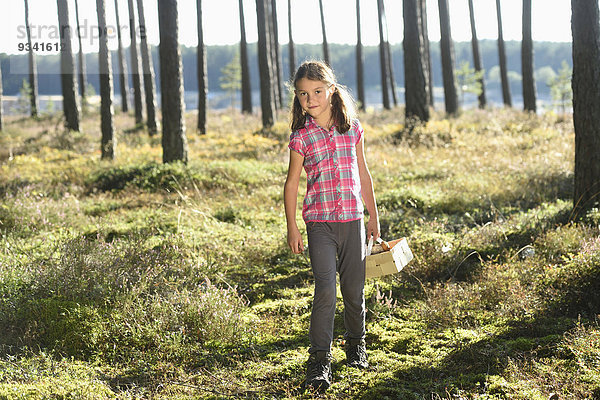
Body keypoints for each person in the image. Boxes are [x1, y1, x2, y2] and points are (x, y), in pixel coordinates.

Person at [283, 60, 380, 391]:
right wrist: (292, 227)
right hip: (319, 224)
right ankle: (319, 360)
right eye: (303, 94)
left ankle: (356, 344)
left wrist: (373, 217)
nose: (310, 99)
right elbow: (292, 183)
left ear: (331, 90)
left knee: (354, 292)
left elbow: (363, 175)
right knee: (325, 289)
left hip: (353, 221)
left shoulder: (352, 129)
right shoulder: (301, 138)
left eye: (317, 91)